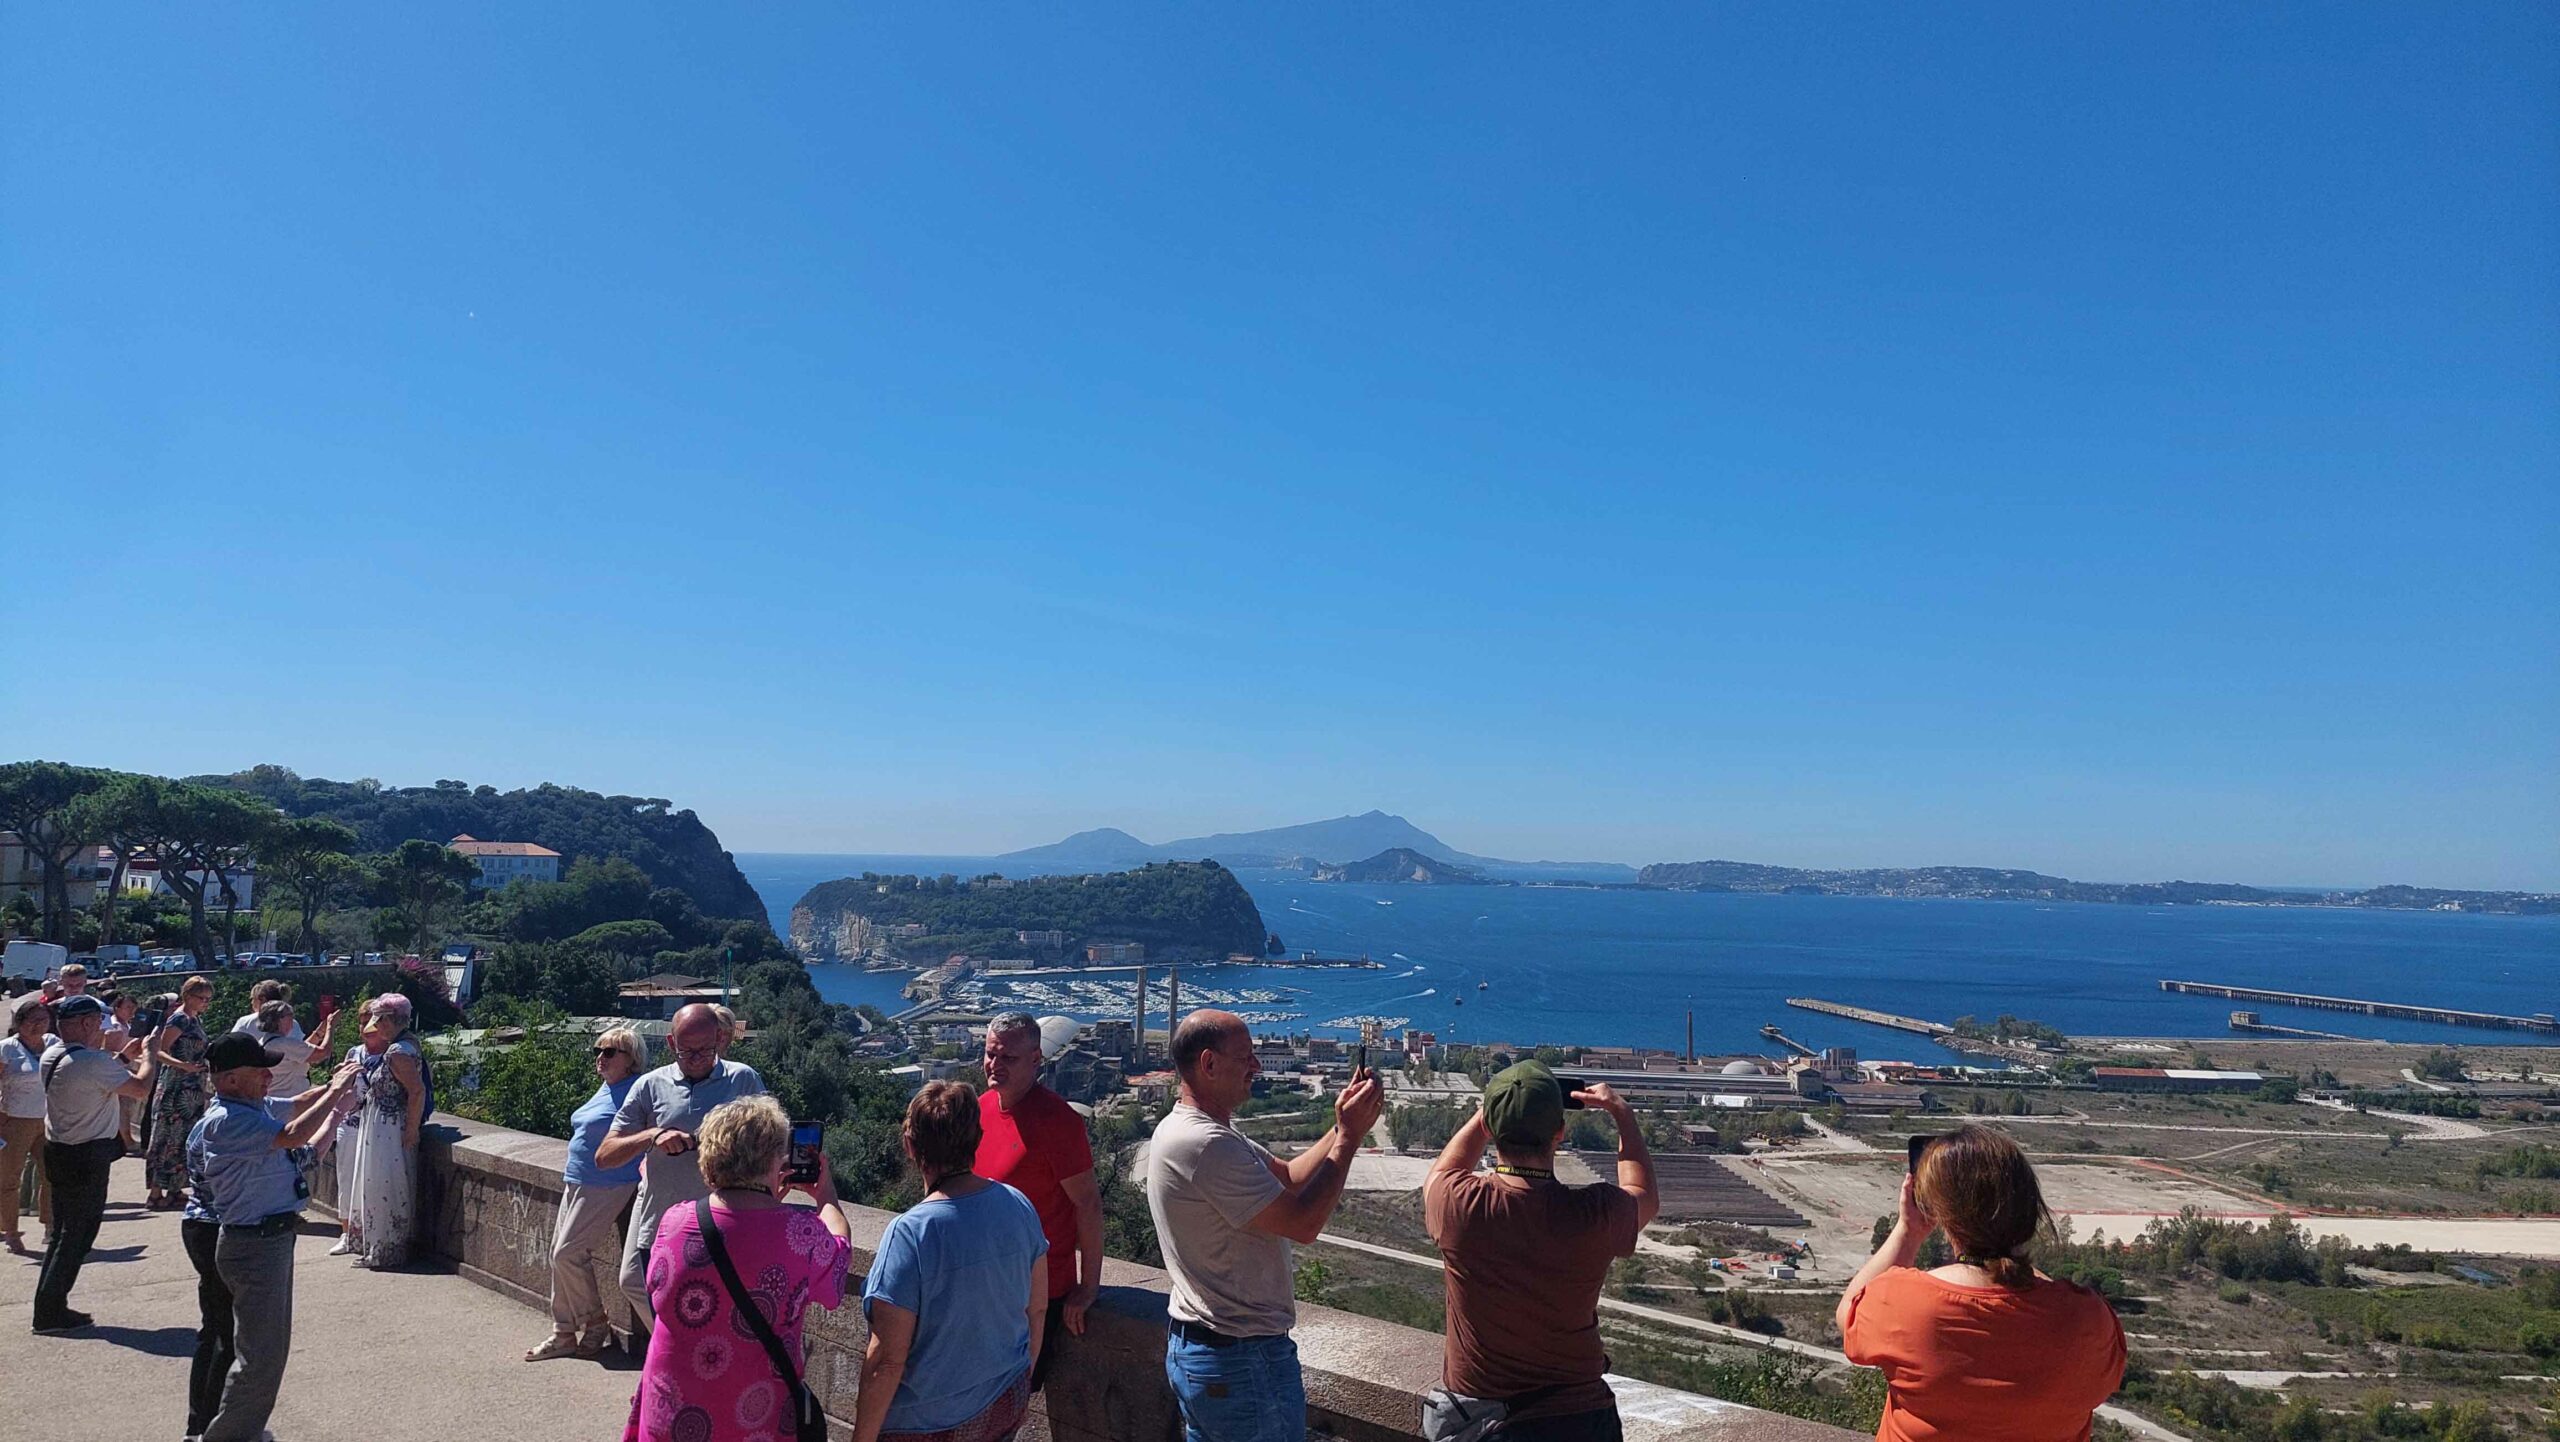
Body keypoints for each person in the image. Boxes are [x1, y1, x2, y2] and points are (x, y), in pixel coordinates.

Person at [1147, 1009, 1385, 1442]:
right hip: (1240, 1359)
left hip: (1212, 1352)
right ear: (1209, 1063)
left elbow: (1289, 1177)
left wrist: (1341, 1125)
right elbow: (1303, 1224)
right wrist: (1350, 1139)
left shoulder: (1195, 1130)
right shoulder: (1205, 1143)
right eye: (1246, 1057)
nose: (1255, 1066)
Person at [1837, 1125, 2127, 1442]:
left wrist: (1908, 1232)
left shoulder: (1904, 1303)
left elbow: (1848, 1314)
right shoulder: (2087, 1319)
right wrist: (2012, 1252)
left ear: (1943, 1213)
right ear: (2030, 1209)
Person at [1420, 1062, 1658, 1442]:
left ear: (1491, 1128)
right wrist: (1622, 1114)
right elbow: (1643, 1194)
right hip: (1580, 1421)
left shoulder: (1457, 1205)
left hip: (1486, 1423)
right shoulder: (1595, 1214)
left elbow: (1441, 1172)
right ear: (1559, 1132)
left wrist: (1493, 1110)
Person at [621, 1094, 851, 1442]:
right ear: (776, 1158)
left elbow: (658, 1293)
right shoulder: (801, 1234)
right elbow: (836, 1272)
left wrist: (764, 1200)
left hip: (673, 1412)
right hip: (753, 1418)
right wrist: (826, 1196)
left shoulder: (675, 1221)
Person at [183, 1031, 362, 1442]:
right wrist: (336, 1093)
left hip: (267, 1240)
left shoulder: (253, 1106)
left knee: (265, 1353)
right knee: (258, 1357)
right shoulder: (228, 1121)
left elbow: (299, 1103)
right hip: (253, 1245)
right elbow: (294, 1134)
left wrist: (335, 1085)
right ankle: (224, 1437)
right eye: (259, 1070)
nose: (269, 1076)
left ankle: (238, 1431)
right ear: (230, 1079)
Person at [856, 1080, 1049, 1442]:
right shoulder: (1018, 1205)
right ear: (978, 1138)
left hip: (927, 1423)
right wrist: (1021, 1383)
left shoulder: (910, 1233)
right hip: (1004, 1398)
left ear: (910, 1145)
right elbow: (1036, 1309)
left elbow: (887, 1361)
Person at [595, 1002, 766, 1337]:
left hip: (721, 1227)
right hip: (661, 1224)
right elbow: (605, 1155)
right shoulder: (650, 1085)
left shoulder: (743, 1080)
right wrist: (653, 1135)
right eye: (687, 1051)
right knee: (649, 1299)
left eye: (705, 1050)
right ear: (671, 1043)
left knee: (715, 1318)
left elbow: (771, 1149)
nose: (697, 1058)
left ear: (720, 1039)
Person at [974, 1012, 1102, 1390]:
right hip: (983, 1286)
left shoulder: (1058, 1122)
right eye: (990, 1054)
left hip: (1036, 1295)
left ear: (1035, 1059)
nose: (995, 1065)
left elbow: (1088, 1204)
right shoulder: (979, 1108)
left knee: (1008, 1398)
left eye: (1008, 1058)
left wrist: (1088, 1287)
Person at [31, 994, 160, 1333]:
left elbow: (90, 1074)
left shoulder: (54, 1054)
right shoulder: (92, 1062)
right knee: (78, 1235)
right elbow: (141, 1088)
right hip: (86, 1156)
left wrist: (122, 1057)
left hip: (60, 1150)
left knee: (63, 1232)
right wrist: (150, 1055)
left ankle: (48, 1304)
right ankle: (49, 1311)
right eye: (99, 1023)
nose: (103, 1029)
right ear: (87, 1023)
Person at [526, 1025, 648, 1362]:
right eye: (598, 1050)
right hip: (578, 1179)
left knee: (568, 1253)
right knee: (557, 1255)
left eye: (609, 1052)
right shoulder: (606, 1088)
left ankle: (594, 1323)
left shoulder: (637, 1090)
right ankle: (563, 1333)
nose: (600, 1057)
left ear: (631, 1059)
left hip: (608, 1182)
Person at [332, 993, 428, 1268]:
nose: (375, 1026)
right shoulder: (407, 1044)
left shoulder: (397, 1052)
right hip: (384, 1124)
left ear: (388, 1020)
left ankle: (383, 1249)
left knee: (381, 1185)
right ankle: (381, 1246)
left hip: (386, 1127)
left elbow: (417, 1091)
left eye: (378, 1020)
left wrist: (411, 1130)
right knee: (386, 1186)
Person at [145, 975, 216, 1210]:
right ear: (188, 996)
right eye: (201, 998)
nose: (205, 1003)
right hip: (176, 1087)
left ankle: (174, 1189)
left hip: (191, 1088)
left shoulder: (194, 1019)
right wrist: (183, 1065)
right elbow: (159, 1050)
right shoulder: (179, 1019)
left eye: (208, 999)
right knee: (166, 1137)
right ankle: (156, 1193)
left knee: (182, 1138)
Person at [2, 999, 54, 1255]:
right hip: (14, 1120)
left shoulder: (54, 1044)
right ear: (20, 1022)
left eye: (43, 1020)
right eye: (33, 1020)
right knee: (9, 1179)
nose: (38, 1025)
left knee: (52, 1176)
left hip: (49, 1120)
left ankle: (50, 1226)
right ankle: (11, 1232)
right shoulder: (6, 1049)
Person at [237, 994, 335, 1100]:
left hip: (273, 1099)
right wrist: (331, 1027)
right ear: (280, 1019)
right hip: (292, 1101)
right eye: (290, 1015)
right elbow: (323, 1052)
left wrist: (320, 1031)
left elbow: (303, 1050)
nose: (292, 1019)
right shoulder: (284, 1044)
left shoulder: (265, 1042)